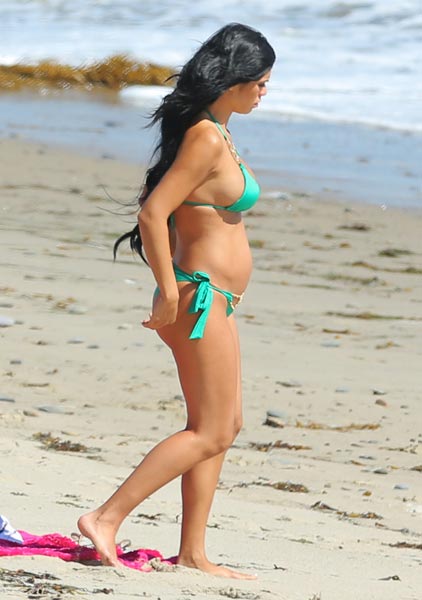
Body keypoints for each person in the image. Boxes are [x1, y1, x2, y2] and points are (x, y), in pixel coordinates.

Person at [78, 22, 275, 579]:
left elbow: (159, 204)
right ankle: (105, 518)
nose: (265, 92)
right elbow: (153, 213)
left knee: (222, 425)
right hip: (197, 300)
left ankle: (192, 552)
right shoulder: (206, 136)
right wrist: (169, 289)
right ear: (234, 80)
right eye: (261, 82)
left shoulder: (214, 130)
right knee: (212, 429)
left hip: (214, 300)